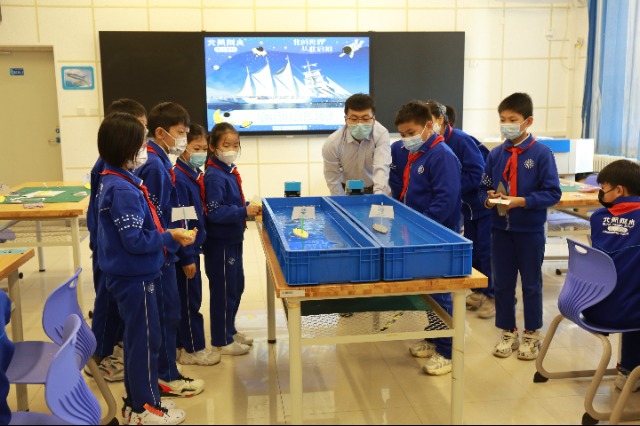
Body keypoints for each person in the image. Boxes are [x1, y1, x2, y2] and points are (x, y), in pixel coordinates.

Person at [96, 112, 194, 424]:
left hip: (131, 274)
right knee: (145, 343)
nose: (145, 150)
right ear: (126, 148)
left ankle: (138, 402)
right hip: (135, 277)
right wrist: (170, 235)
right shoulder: (122, 190)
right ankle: (144, 408)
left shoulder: (118, 180)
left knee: (140, 341)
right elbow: (135, 241)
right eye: (140, 144)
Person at [481, 92, 561, 360]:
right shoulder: (496, 154)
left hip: (530, 231)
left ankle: (531, 334)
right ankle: (508, 331)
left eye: (512, 120)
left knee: (531, 284)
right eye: (502, 119)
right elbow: (483, 186)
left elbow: (553, 193)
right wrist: (489, 198)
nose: (506, 125)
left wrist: (522, 201)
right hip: (500, 231)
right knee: (503, 284)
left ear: (528, 121)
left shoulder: (541, 153)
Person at [135, 102, 205, 398]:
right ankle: (165, 377)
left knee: (169, 314)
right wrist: (179, 250)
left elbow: (175, 209)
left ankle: (167, 373)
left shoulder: (162, 162)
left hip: (169, 247)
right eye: (180, 132)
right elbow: (159, 215)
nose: (183, 138)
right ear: (161, 132)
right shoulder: (154, 165)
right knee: (166, 315)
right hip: (162, 252)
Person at [391, 101, 462, 376]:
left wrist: (421, 226)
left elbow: (445, 199)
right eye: (402, 135)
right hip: (422, 234)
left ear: (429, 126)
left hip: (438, 235)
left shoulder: (441, 155)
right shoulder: (419, 154)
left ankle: (448, 351)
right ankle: (434, 338)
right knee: (429, 292)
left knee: (441, 293)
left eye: (411, 133)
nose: (406, 139)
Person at [87, 98, 147, 383]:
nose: (144, 139)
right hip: (109, 249)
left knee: (114, 304)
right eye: (140, 131)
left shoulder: (118, 169)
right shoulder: (108, 171)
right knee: (107, 303)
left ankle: (109, 352)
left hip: (112, 248)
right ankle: (99, 357)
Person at [426, 101, 495, 319]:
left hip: (483, 205)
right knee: (472, 251)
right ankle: (479, 291)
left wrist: (451, 189)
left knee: (486, 252)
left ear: (440, 119)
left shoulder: (460, 140)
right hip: (467, 207)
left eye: (429, 121)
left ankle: (493, 297)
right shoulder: (433, 144)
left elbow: (477, 173)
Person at [203, 122, 261, 356]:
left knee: (236, 287)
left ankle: (230, 330)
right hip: (221, 242)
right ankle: (221, 340)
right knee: (224, 291)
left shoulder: (227, 171)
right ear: (213, 147)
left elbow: (231, 203)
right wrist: (243, 211)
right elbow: (214, 212)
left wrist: (246, 206)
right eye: (226, 145)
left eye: (235, 145)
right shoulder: (214, 175)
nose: (232, 150)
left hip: (233, 238)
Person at [582, 159, 640, 391]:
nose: (601, 193)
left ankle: (627, 370)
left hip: (591, 305)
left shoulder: (597, 217)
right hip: (626, 312)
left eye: (603, 188)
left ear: (619, 191)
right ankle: (630, 370)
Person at [174, 124, 220, 366]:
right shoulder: (181, 179)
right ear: (184, 149)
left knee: (188, 298)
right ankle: (192, 349)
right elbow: (181, 221)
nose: (202, 153)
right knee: (189, 301)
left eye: (204, 149)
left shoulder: (193, 175)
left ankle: (183, 345)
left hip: (192, 247)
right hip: (187, 250)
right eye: (196, 148)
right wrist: (187, 256)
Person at [322, 93, 391, 195]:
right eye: (354, 119)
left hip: (375, 187)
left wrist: (378, 198)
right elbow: (332, 179)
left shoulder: (381, 134)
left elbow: (381, 167)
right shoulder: (333, 142)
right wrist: (341, 201)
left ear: (373, 120)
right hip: (347, 189)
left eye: (365, 119)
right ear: (346, 120)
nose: (360, 124)